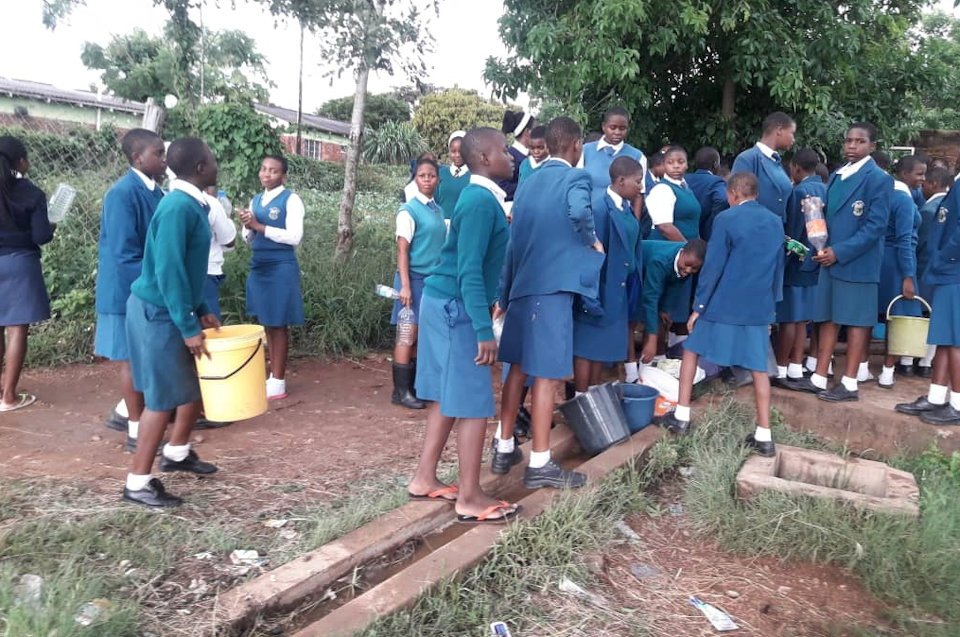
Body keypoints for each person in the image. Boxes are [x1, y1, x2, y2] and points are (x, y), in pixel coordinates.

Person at [406, 127, 521, 523]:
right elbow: (470, 271)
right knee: (473, 404)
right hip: (456, 306)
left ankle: (424, 477)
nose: (511, 156)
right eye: (505, 151)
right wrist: (483, 330)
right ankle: (469, 497)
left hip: (442, 302)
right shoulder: (478, 202)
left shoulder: (482, 199)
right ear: (487, 159)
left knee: (443, 394)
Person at [495, 116, 605, 489]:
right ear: (576, 146)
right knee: (547, 374)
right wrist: (591, 240)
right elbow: (577, 212)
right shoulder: (576, 178)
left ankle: (504, 443)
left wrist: (503, 294)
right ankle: (540, 462)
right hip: (552, 291)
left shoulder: (528, 183)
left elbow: (513, 243)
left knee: (518, 368)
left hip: (523, 288)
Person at [122, 137, 221, 508]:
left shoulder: (188, 204)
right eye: (211, 159)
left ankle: (177, 453)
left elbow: (186, 267)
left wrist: (199, 307)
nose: (215, 164)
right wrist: (187, 324)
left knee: (193, 384)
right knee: (161, 401)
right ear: (200, 168)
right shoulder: (179, 207)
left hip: (171, 308)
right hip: (158, 313)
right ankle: (138, 483)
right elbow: (168, 271)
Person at [660, 172, 784, 451]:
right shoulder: (776, 222)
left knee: (691, 350)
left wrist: (698, 307)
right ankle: (764, 436)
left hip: (723, 304)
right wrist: (771, 308)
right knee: (759, 367)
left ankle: (681, 416)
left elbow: (714, 266)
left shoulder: (726, 219)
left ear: (733, 194)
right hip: (758, 308)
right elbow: (778, 269)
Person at [793, 122, 892, 402]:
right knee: (827, 318)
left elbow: (875, 228)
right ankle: (820, 376)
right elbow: (833, 216)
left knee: (857, 322)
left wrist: (840, 251)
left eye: (859, 142)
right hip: (830, 259)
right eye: (848, 141)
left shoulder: (879, 179)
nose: (851, 146)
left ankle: (849, 383)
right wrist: (814, 217)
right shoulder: (837, 174)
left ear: (872, 146)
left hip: (857, 263)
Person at [94, 129, 166, 441]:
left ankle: (127, 413)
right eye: (158, 154)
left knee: (143, 357)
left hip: (144, 287)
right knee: (131, 359)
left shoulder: (156, 193)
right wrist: (157, 286)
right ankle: (136, 430)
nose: (164, 160)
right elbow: (124, 253)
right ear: (138, 158)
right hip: (125, 290)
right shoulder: (121, 194)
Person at [573, 156, 644, 392]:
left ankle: (593, 392)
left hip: (619, 287)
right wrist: (591, 295)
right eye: (638, 181)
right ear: (621, 180)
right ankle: (582, 398)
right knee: (587, 347)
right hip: (601, 288)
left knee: (599, 347)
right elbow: (592, 255)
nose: (641, 187)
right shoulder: (601, 209)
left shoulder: (624, 206)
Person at [894, 175, 960, 426]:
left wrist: (944, 258)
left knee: (955, 341)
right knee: (944, 338)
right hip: (947, 272)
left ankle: (957, 404)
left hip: (954, 271)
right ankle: (936, 396)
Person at [239, 155, 305, 401]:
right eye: (264, 169)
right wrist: (246, 225)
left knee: (279, 323)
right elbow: (248, 238)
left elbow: (294, 237)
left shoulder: (291, 200)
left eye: (273, 171)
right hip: (259, 264)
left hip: (281, 265)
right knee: (267, 321)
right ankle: (272, 376)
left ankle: (278, 379)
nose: (267, 174)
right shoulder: (255, 200)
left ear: (283, 176)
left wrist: (259, 226)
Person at [0, 136, 54, 412]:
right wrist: (52, 223)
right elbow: (41, 236)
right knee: (17, 328)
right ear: (20, 161)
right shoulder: (30, 192)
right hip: (19, 263)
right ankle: (8, 397)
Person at [390, 157, 446, 410]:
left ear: (438, 179)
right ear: (415, 179)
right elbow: (403, 250)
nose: (427, 180)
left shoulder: (436, 208)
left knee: (420, 335)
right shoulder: (408, 211)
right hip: (411, 278)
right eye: (422, 176)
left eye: (431, 176)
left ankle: (412, 387)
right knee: (406, 333)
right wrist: (405, 286)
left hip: (431, 281)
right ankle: (400, 391)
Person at [775, 148, 827, 389]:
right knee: (803, 318)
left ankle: (781, 369)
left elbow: (795, 230)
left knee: (789, 319)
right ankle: (796, 366)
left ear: (795, 168)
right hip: (819, 261)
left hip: (798, 261)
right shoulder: (825, 189)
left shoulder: (800, 192)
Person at [877, 155, 926, 387]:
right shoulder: (904, 200)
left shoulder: (883, 194)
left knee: (873, 316)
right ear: (904, 174)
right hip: (899, 264)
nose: (923, 179)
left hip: (880, 260)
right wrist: (908, 275)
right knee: (900, 318)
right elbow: (904, 240)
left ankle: (861, 369)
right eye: (919, 173)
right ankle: (887, 372)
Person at [636, 240, 706, 367]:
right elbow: (650, 299)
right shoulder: (660, 261)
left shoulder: (687, 262)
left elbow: (675, 285)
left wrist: (665, 308)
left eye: (695, 268)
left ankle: (657, 358)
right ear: (682, 253)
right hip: (636, 266)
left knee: (660, 317)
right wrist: (652, 339)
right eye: (687, 264)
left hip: (658, 271)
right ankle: (633, 365)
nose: (688, 270)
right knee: (643, 314)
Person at [914, 166, 952, 378]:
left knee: (924, 315)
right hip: (937, 272)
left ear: (934, 184)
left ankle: (921, 360)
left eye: (925, 182)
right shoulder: (944, 205)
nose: (922, 186)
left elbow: (922, 246)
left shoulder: (930, 211)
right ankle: (927, 360)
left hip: (925, 271)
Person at [732, 112, 795, 220]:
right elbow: (737, 202)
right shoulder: (748, 159)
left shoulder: (776, 162)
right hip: (756, 230)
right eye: (792, 133)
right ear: (779, 130)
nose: (793, 139)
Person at [579, 107, 647, 204]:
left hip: (621, 216)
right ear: (603, 126)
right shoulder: (585, 151)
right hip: (590, 215)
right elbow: (577, 186)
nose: (617, 132)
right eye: (613, 127)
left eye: (622, 128)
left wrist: (633, 219)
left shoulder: (637, 156)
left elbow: (639, 195)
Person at [647, 146, 700, 242]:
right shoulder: (662, 189)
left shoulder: (685, 188)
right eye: (670, 162)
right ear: (664, 165)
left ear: (687, 164)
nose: (676, 166)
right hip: (668, 251)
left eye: (681, 162)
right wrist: (687, 248)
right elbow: (665, 227)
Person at [202, 185, 237, 321]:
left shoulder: (169, 196)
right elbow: (229, 241)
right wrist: (227, 218)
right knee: (209, 325)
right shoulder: (211, 203)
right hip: (207, 271)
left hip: (178, 273)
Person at [685, 146, 729, 241]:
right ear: (715, 164)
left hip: (683, 232)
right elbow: (723, 199)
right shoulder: (717, 182)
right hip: (706, 236)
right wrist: (712, 220)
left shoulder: (684, 179)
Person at [498, 110, 535, 205]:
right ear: (527, 132)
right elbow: (503, 187)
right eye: (535, 129)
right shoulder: (510, 156)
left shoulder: (533, 155)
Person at [435, 131, 469, 213]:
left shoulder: (474, 175)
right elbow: (434, 200)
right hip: (443, 223)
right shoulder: (441, 174)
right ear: (449, 152)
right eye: (453, 151)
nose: (457, 155)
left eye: (461, 151)